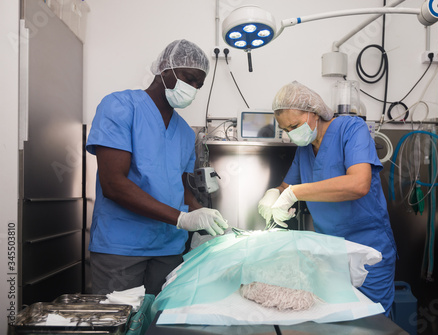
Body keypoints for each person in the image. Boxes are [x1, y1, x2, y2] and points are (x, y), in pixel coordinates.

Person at [86, 39, 228, 296]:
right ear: (165, 69)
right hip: (122, 247)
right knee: (120, 322)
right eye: (189, 78)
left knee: (160, 323)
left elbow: (182, 191)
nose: (193, 88)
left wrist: (207, 222)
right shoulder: (120, 107)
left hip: (169, 249)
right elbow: (113, 185)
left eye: (199, 84)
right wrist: (182, 219)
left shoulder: (185, 133)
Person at [258, 81, 397, 316]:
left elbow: (358, 184)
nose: (292, 135)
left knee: (372, 322)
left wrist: (295, 193)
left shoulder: (351, 129)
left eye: (295, 125)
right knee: (339, 319)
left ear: (313, 113)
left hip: (369, 251)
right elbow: (286, 186)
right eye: (286, 130)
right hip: (329, 252)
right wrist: (272, 195)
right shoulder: (305, 148)